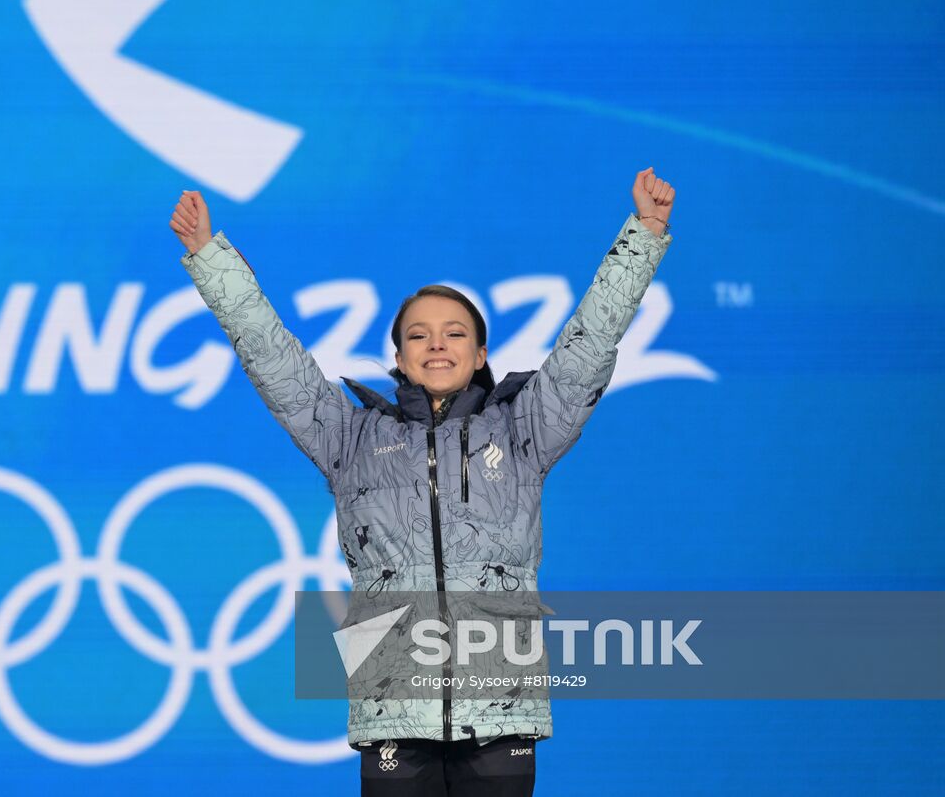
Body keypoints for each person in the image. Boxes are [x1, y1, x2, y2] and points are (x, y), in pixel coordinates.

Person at [170, 170, 676, 796]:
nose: (437, 345)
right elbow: (272, 357)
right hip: (391, 709)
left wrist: (646, 232)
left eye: (454, 333)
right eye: (419, 336)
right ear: (401, 358)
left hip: (500, 708)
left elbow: (589, 342)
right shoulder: (348, 438)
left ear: (482, 352)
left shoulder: (524, 431)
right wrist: (210, 257)